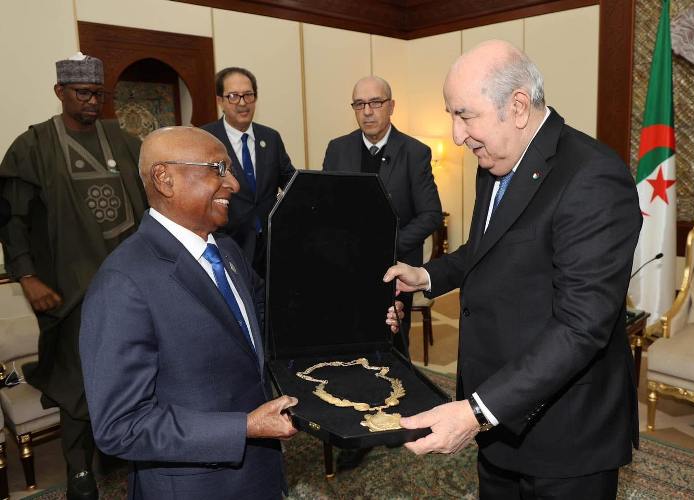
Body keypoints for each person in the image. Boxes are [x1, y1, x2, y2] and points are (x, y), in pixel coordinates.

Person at [383, 40, 642, 499]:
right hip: (498, 420)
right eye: (452, 115)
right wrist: (427, 276)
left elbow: (581, 327)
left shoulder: (593, 176)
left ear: (518, 107)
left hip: (565, 435)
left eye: (465, 115)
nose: (457, 135)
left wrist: (477, 412)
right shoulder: (495, 161)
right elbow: (486, 248)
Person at [79, 126, 298, 500]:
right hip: (194, 487)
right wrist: (244, 427)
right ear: (165, 179)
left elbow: (267, 322)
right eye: (218, 168)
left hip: (259, 474)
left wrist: (361, 321)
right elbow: (121, 425)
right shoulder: (123, 282)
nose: (234, 184)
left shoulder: (226, 250)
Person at [0, 52, 147, 500]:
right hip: (70, 290)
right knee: (78, 380)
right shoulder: (34, 146)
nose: (92, 102)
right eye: (82, 93)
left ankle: (131, 451)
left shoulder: (122, 140)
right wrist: (27, 276)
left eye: (99, 94)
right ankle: (79, 467)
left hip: (129, 284)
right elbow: (11, 219)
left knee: (133, 370)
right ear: (59, 91)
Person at [323, 75, 442, 472]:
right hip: (347, 271)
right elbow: (327, 207)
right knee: (349, 350)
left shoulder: (415, 151)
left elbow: (430, 214)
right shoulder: (337, 149)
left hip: (395, 271)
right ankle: (355, 428)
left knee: (391, 347)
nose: (368, 111)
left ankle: (398, 420)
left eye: (375, 102)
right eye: (360, 104)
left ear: (391, 106)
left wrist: (386, 247)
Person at [202, 67, 296, 278]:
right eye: (233, 96)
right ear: (220, 101)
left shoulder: (271, 138)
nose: (242, 103)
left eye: (248, 95)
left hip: (271, 246)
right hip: (228, 245)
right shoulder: (206, 139)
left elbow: (290, 181)